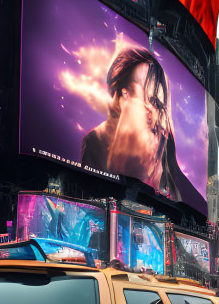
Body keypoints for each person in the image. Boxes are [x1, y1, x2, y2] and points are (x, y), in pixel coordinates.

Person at [81, 47, 189, 202]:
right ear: (125, 93)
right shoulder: (94, 141)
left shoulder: (162, 144)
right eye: (149, 100)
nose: (152, 112)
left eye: (157, 104)